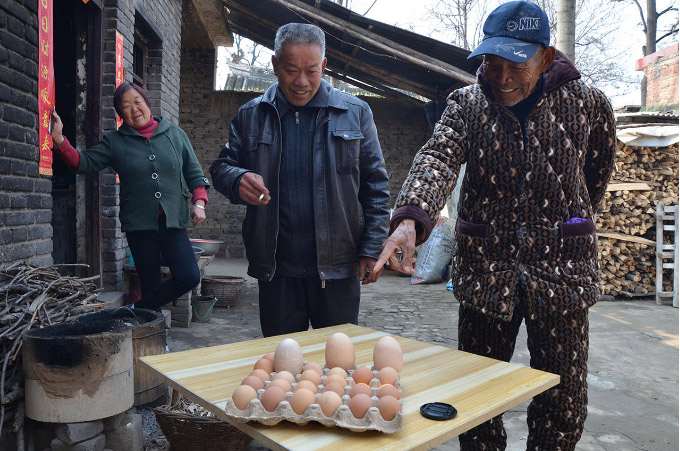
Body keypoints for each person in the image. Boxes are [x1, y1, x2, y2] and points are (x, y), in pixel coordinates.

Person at [374, 2, 616, 449]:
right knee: (476, 394)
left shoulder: (589, 105)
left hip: (562, 273)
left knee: (563, 401)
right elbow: (437, 158)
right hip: (489, 273)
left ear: (545, 58)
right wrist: (411, 220)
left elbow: (595, 173)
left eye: (515, 65)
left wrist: (572, 222)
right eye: (491, 62)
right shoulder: (466, 105)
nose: (501, 77)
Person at [210, 23, 390, 337]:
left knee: (337, 367)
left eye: (311, 70)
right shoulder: (251, 115)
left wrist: (372, 248)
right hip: (277, 270)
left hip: (337, 270)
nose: (302, 82)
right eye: (291, 70)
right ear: (275, 65)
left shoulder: (355, 113)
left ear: (323, 66)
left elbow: (376, 186)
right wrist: (237, 179)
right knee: (282, 367)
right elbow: (222, 167)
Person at [50, 82, 210, 312]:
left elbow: (194, 172)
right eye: (126, 106)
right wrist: (59, 140)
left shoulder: (174, 134)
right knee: (150, 284)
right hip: (139, 225)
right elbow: (82, 162)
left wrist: (199, 203)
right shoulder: (115, 141)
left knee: (188, 276)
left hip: (173, 220)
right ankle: (155, 340)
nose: (134, 109)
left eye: (137, 101)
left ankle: (135, 310)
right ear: (120, 114)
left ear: (147, 103)